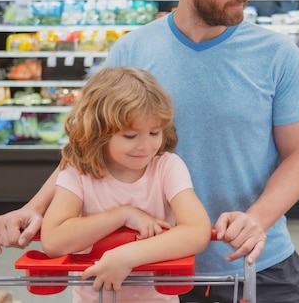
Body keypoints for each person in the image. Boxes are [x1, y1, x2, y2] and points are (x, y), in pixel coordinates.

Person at [0, 0, 299, 303]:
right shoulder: (132, 50)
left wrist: (256, 220)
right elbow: (86, 150)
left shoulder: (277, 54)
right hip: (153, 274)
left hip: (255, 264)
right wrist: (36, 207)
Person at [40, 66, 211, 302]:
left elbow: (197, 231)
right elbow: (53, 241)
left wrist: (127, 257)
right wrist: (122, 215)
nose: (145, 146)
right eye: (130, 136)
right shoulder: (78, 172)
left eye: (154, 133)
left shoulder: (167, 167)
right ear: (98, 131)